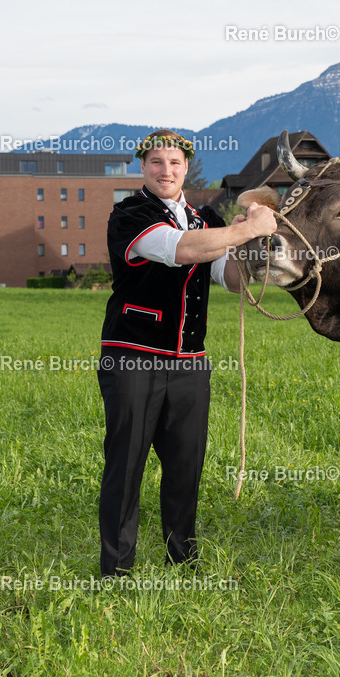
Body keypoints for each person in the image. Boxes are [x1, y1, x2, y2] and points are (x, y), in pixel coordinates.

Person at [97, 128, 277, 577]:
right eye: (157, 162)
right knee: (126, 464)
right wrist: (245, 228)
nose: (166, 170)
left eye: (174, 163)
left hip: (191, 362)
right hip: (133, 355)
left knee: (186, 464)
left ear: (186, 168)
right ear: (143, 167)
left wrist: (248, 244)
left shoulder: (205, 218)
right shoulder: (129, 214)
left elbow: (229, 279)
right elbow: (179, 250)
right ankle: (117, 569)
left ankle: (182, 560)